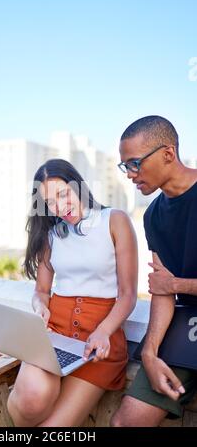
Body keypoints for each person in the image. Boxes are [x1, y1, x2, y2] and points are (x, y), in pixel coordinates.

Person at [7, 158, 138, 427]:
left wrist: (103, 331)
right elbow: (41, 291)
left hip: (98, 345)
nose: (59, 207)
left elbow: (127, 294)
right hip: (55, 334)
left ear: (78, 185)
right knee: (32, 398)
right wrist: (39, 306)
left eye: (63, 194)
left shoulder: (114, 221)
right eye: (50, 202)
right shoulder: (50, 234)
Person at [111, 115, 197, 427]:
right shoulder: (153, 217)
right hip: (186, 328)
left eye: (135, 163)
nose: (131, 175)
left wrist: (176, 283)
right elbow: (162, 291)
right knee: (125, 423)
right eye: (125, 167)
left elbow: (169, 284)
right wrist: (149, 352)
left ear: (168, 154)